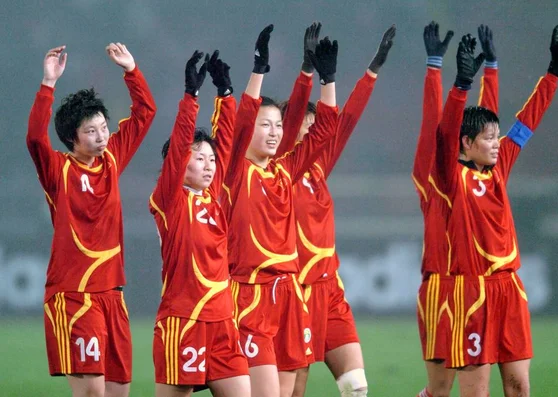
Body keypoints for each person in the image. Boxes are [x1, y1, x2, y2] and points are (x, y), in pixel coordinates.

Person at [429, 26, 558, 396]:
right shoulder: (449, 176)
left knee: (519, 386)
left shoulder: (500, 165)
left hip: (509, 288)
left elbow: (527, 121)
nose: (495, 143)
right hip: (470, 292)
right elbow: (443, 134)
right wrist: (460, 85)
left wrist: (552, 74)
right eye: (487, 138)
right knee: (477, 392)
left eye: (496, 136)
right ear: (467, 143)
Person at [26, 43, 157, 397]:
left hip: (113, 296)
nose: (101, 137)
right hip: (75, 296)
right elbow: (35, 138)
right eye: (91, 131)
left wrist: (132, 71)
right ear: (72, 138)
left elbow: (145, 112)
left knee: (119, 392)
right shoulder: (58, 170)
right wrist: (48, 84)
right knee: (92, 393)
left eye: (103, 128)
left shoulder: (112, 160)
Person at [275, 24, 396, 397]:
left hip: (329, 289)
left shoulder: (317, 167)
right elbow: (298, 119)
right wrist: (306, 70)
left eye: (316, 128)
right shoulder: (279, 171)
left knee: (356, 386)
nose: (314, 135)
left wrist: (371, 72)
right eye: (305, 128)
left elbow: (344, 122)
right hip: (295, 290)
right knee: (294, 390)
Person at [222, 24, 339, 397]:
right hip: (251, 294)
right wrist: (259, 70)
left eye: (277, 126)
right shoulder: (234, 173)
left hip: (289, 294)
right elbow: (239, 122)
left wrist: (329, 79)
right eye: (265, 125)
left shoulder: (286, 170)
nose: (273, 133)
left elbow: (324, 130)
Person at [149, 50, 250, 397]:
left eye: (210, 160)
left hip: (222, 321)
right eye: (199, 158)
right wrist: (191, 97)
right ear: (179, 165)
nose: (208, 165)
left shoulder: (214, 197)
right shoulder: (170, 201)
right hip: (183, 321)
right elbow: (178, 147)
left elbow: (225, 140)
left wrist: (225, 94)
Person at [413, 22, 499, 397]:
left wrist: (489, 72)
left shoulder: (476, 171)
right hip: (439, 286)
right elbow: (438, 124)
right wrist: (438, 70)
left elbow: (485, 125)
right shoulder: (436, 176)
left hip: (469, 288)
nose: (492, 143)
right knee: (439, 391)